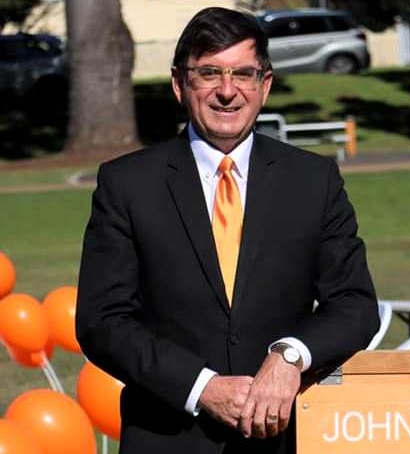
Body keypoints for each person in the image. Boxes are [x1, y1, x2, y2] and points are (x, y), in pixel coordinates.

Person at [75, 6, 378, 454]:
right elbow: (103, 322)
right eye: (209, 73)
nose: (227, 91)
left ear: (265, 84)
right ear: (180, 84)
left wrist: (290, 356)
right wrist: (202, 387)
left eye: (243, 74)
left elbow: (354, 304)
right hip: (168, 439)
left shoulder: (314, 181)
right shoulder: (127, 185)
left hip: (283, 438)